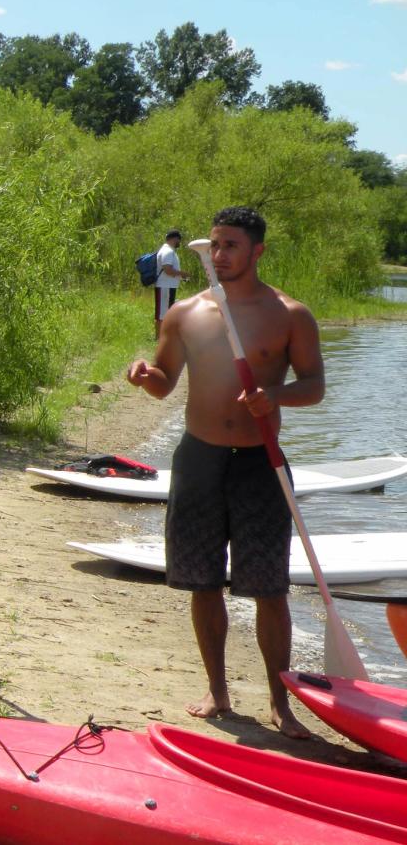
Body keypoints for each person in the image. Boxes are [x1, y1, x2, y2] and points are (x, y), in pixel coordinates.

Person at [126, 206, 323, 740]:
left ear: (257, 250)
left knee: (268, 586)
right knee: (203, 580)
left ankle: (281, 702)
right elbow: (166, 381)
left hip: (259, 460)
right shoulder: (186, 313)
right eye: (215, 244)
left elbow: (314, 386)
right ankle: (218, 689)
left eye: (230, 245)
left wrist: (274, 395)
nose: (219, 254)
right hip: (200, 457)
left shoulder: (289, 314)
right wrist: (145, 375)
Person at [154, 229, 190, 338]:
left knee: (165, 312)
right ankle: (159, 338)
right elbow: (168, 270)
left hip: (168, 286)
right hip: (165, 286)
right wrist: (182, 273)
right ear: (175, 239)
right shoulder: (168, 251)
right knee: (162, 314)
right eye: (179, 240)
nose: (179, 242)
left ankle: (162, 337)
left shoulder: (168, 250)